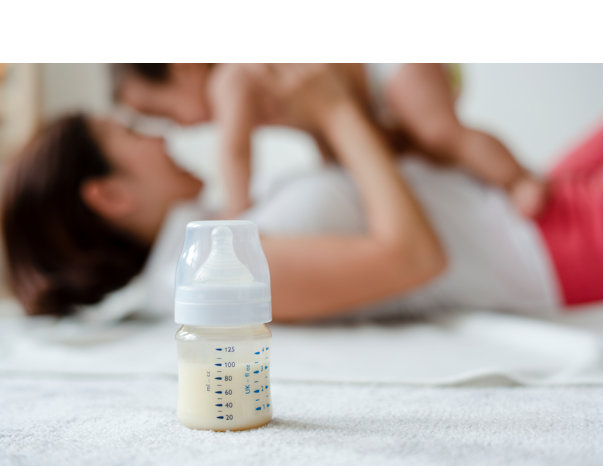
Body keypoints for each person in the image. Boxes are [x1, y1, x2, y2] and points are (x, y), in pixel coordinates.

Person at [1, 65, 601, 321]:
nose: (162, 138)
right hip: (548, 247)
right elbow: (415, 257)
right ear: (110, 196)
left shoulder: (213, 226)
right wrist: (335, 111)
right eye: (134, 135)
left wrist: (322, 116)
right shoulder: (207, 273)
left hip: (522, 205)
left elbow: (372, 191)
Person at [113, 63, 548, 219]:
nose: (179, 127)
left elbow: (235, 151)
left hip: (386, 65)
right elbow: (317, 126)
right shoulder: (252, 80)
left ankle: (518, 178)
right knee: (418, 151)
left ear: (185, 67)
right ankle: (490, 188)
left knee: (440, 133)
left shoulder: (229, 78)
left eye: (166, 113)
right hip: (370, 99)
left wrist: (237, 211)